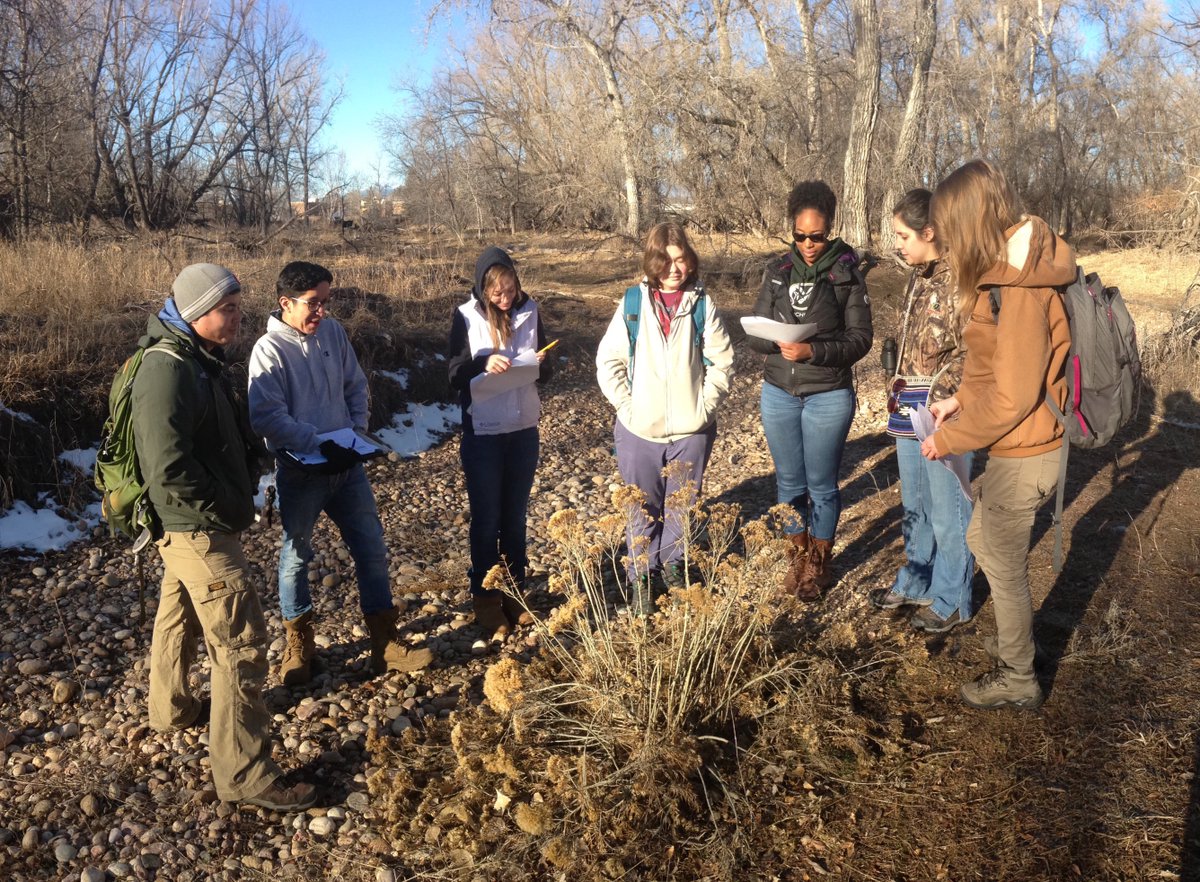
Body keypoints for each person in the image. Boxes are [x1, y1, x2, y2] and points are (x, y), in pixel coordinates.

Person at [132, 263, 315, 811]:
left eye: (237, 307)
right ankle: (245, 774)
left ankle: (170, 708)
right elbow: (167, 467)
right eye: (226, 310)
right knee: (241, 641)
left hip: (190, 523)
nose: (238, 318)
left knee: (178, 609)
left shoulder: (197, 358)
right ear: (195, 314)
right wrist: (222, 507)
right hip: (196, 527)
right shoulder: (167, 370)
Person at [921, 159, 1076, 710]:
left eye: (946, 228)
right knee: (982, 540)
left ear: (967, 222)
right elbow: (992, 367)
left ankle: (1018, 677)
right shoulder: (1003, 279)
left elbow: (1013, 395)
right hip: (1017, 444)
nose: (942, 241)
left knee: (1003, 563)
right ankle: (1017, 639)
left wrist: (952, 439)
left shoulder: (1022, 289)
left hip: (1029, 450)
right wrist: (961, 400)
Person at [248, 261, 432, 685]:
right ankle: (300, 648)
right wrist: (315, 441)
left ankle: (386, 644)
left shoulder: (331, 333)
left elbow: (355, 385)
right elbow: (266, 418)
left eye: (326, 303)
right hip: (300, 471)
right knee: (296, 558)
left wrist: (357, 431)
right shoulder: (268, 351)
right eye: (313, 304)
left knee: (370, 547)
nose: (322, 313)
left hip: (347, 467)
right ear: (285, 303)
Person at [596, 222, 734, 614]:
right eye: (666, 260)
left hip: (692, 431)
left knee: (681, 510)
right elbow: (609, 362)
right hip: (640, 430)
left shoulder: (702, 305)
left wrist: (704, 409)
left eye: (682, 259)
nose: (675, 269)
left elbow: (722, 361)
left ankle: (673, 569)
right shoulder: (633, 305)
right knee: (640, 509)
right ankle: (641, 577)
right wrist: (627, 408)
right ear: (652, 262)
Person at [749, 181, 872, 600]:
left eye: (816, 236)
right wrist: (776, 340)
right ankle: (795, 558)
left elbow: (860, 340)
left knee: (821, 485)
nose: (808, 244)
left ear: (830, 230)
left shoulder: (847, 273)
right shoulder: (777, 271)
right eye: (800, 236)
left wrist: (812, 351)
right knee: (788, 485)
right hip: (779, 390)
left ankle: (818, 564)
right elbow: (755, 333)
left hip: (827, 393)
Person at [870, 188, 975, 633]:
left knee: (947, 507)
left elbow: (976, 353)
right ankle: (918, 579)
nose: (897, 243)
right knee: (914, 502)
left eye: (902, 235)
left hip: (944, 411)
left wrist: (944, 397)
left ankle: (953, 595)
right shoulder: (918, 274)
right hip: (907, 404)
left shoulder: (964, 280)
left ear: (929, 232)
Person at [448, 248, 553, 638]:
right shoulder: (466, 316)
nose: (505, 299)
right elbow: (454, 373)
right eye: (497, 294)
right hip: (484, 432)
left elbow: (545, 370)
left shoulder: (531, 310)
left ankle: (515, 592)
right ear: (482, 291)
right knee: (486, 517)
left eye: (510, 290)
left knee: (515, 516)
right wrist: (483, 363)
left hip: (524, 426)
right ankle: (485, 598)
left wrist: (540, 363)